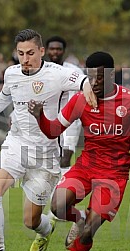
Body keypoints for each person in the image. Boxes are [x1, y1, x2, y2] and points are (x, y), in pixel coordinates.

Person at [28, 51, 130, 251]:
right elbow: (53, 131)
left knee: (91, 230)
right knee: (58, 205)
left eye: (99, 78)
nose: (94, 83)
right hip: (86, 167)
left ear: (112, 74)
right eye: (90, 78)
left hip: (114, 175)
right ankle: (78, 218)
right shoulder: (81, 100)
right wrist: (40, 116)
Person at [0, 29, 97, 251]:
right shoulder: (12, 73)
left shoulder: (57, 74)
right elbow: (3, 99)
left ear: (42, 51)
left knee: (31, 221)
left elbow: (83, 80)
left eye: (31, 53)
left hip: (45, 155)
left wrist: (87, 86)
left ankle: (46, 231)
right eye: (21, 53)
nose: (25, 59)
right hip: (16, 145)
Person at [45, 36, 83, 171]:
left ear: (64, 51)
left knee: (65, 159)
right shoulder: (41, 71)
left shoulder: (73, 71)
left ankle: (64, 190)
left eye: (58, 49)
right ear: (46, 51)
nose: (55, 52)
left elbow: (80, 95)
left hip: (69, 122)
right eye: (52, 49)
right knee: (49, 162)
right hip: (47, 121)